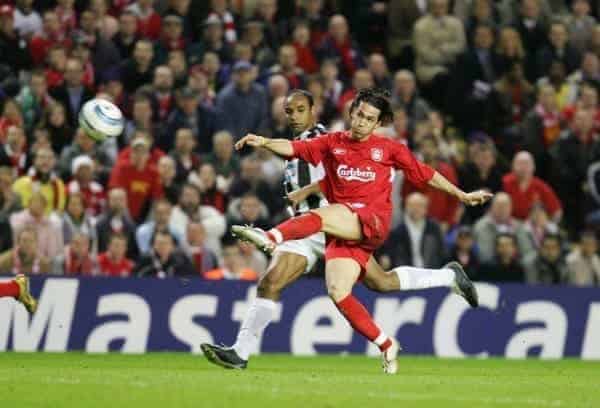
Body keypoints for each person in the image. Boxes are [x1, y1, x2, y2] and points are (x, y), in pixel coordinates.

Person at [203, 88, 491, 374]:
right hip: (329, 227)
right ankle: (400, 327)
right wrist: (263, 141)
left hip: (366, 220)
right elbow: (302, 154)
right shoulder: (332, 143)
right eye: (359, 115)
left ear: (378, 123)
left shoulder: (382, 147)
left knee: (325, 216)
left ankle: (269, 237)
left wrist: (462, 195)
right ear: (351, 113)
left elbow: (425, 173)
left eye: (369, 118)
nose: (362, 122)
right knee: (357, 287)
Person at [13, 147, 66, 215]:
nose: (46, 161)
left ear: (54, 162)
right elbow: (21, 211)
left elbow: (59, 211)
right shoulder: (21, 183)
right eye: (42, 157)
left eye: (50, 158)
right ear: (34, 161)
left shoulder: (59, 184)